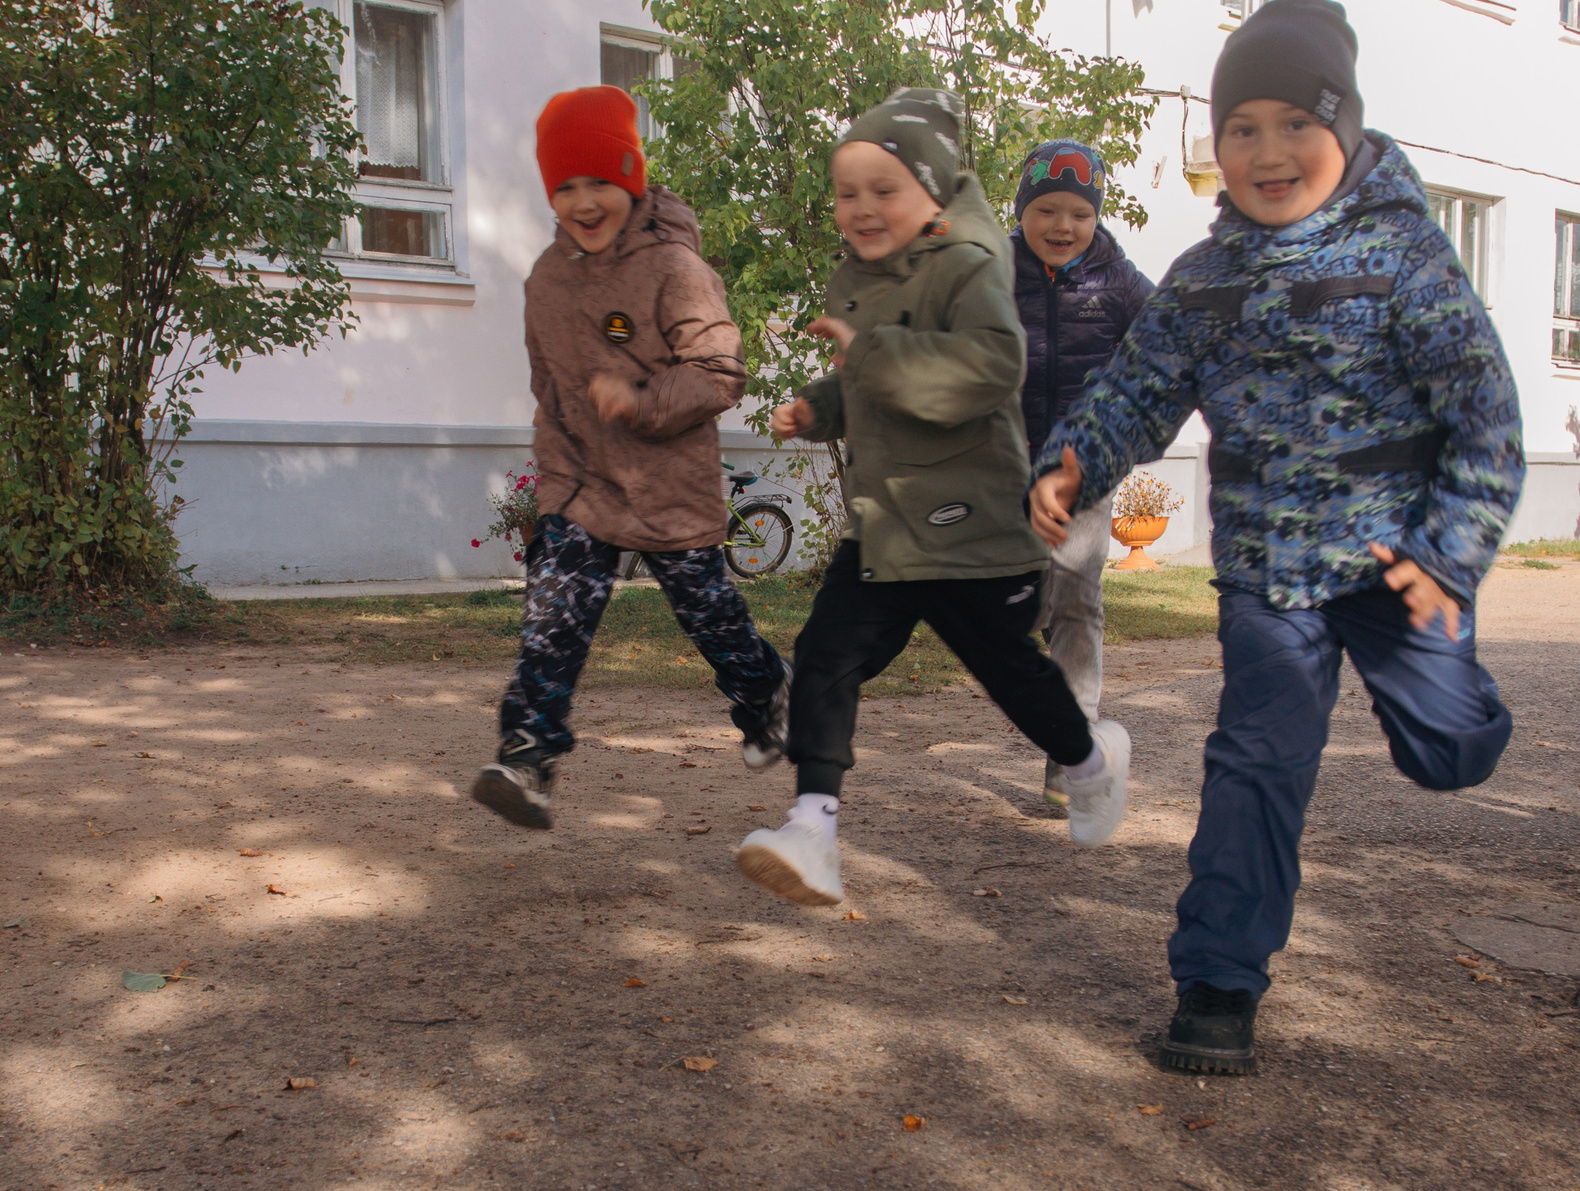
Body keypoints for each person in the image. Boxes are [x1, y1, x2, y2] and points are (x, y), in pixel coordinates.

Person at [1030, 0, 1522, 1076]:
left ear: (1342, 132)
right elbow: (1131, 391)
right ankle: (1217, 982)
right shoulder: (1204, 281)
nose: (1267, 151)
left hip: (1400, 570)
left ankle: (1467, 712)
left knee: (1450, 752)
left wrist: (1450, 554)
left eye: (1295, 123)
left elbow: (1485, 415)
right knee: (1254, 763)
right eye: (1239, 129)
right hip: (1268, 574)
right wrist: (1071, 461)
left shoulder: (1407, 259)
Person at [734, 90, 1132, 910]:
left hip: (970, 521)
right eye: (848, 193)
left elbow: (989, 368)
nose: (863, 209)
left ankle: (1091, 764)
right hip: (887, 520)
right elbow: (870, 376)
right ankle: (813, 831)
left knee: (1009, 668)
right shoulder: (864, 279)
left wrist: (868, 357)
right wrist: (823, 406)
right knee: (826, 652)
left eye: (886, 190)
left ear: (934, 192)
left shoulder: (975, 268)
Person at [471, 85, 791, 831]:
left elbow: (720, 370)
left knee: (710, 617)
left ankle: (767, 693)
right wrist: (554, 488)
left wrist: (640, 401)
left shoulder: (673, 268)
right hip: (581, 487)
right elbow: (549, 392)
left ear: (632, 180)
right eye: (566, 186)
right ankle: (528, 756)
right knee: (552, 617)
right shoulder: (545, 283)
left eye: (601, 182)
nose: (585, 202)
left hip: (666, 489)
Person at [1009, 139, 1154, 806]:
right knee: (1006, 604)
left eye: (1078, 213)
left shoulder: (1120, 283)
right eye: (1046, 210)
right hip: (1001, 464)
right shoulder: (990, 271)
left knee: (1073, 593)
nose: (1062, 226)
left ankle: (1070, 752)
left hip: (1084, 466)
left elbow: (1167, 357)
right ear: (1022, 211)